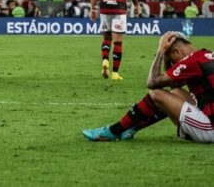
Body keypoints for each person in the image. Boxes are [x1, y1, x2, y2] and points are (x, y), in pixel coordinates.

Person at [83, 31, 214, 143]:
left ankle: (112, 131)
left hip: (211, 128)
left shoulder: (190, 62)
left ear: (177, 51)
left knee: (157, 95)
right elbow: (174, 85)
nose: (174, 64)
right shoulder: (205, 55)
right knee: (175, 93)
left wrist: (161, 51)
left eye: (172, 59)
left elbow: (152, 82)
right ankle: (131, 128)